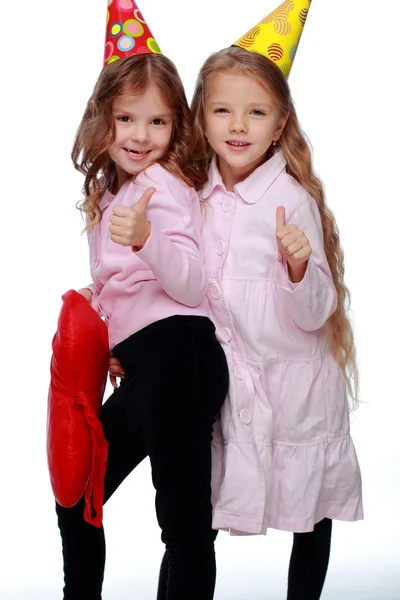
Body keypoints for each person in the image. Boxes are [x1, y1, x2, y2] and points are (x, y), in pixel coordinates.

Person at [153, 4, 363, 597]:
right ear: (200, 118)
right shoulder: (191, 194)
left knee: (308, 505)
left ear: (279, 124)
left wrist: (300, 266)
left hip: (293, 384)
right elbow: (175, 280)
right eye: (222, 109)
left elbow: (316, 311)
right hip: (224, 383)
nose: (237, 125)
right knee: (198, 511)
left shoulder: (290, 201)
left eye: (256, 111)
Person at [55, 49, 229, 600]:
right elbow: (122, 286)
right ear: (101, 118)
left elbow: (190, 283)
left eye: (157, 120)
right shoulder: (111, 195)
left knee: (183, 526)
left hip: (182, 355)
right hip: (148, 365)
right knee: (80, 493)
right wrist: (106, 326)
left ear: (176, 126)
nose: (139, 134)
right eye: (125, 117)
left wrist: (147, 240)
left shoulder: (165, 187)